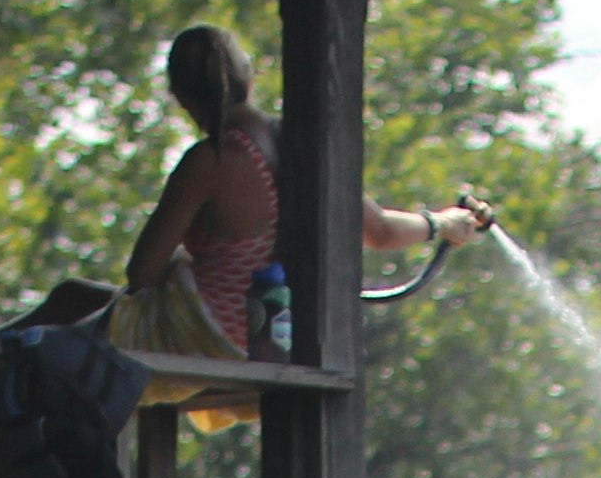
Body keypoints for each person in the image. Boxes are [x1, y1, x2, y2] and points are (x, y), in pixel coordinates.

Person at [123, 24, 493, 362]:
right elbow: (380, 232)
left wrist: (181, 262)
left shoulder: (208, 161)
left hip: (219, 338)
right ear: (249, 78)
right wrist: (443, 223)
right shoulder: (296, 140)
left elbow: (141, 273)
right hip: (289, 340)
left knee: (71, 303)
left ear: (180, 95)